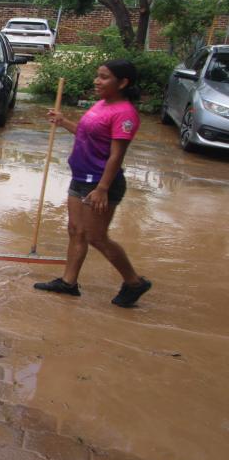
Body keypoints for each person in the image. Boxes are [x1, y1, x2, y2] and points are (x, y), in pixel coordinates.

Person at [34, 60, 151, 307]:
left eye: (104, 77)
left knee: (97, 237)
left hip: (100, 183)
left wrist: (102, 189)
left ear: (123, 82)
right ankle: (68, 283)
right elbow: (87, 135)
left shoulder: (125, 114)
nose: (97, 81)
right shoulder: (101, 104)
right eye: (97, 76)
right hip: (81, 177)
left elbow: (116, 155)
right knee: (76, 231)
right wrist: (63, 122)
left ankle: (134, 282)